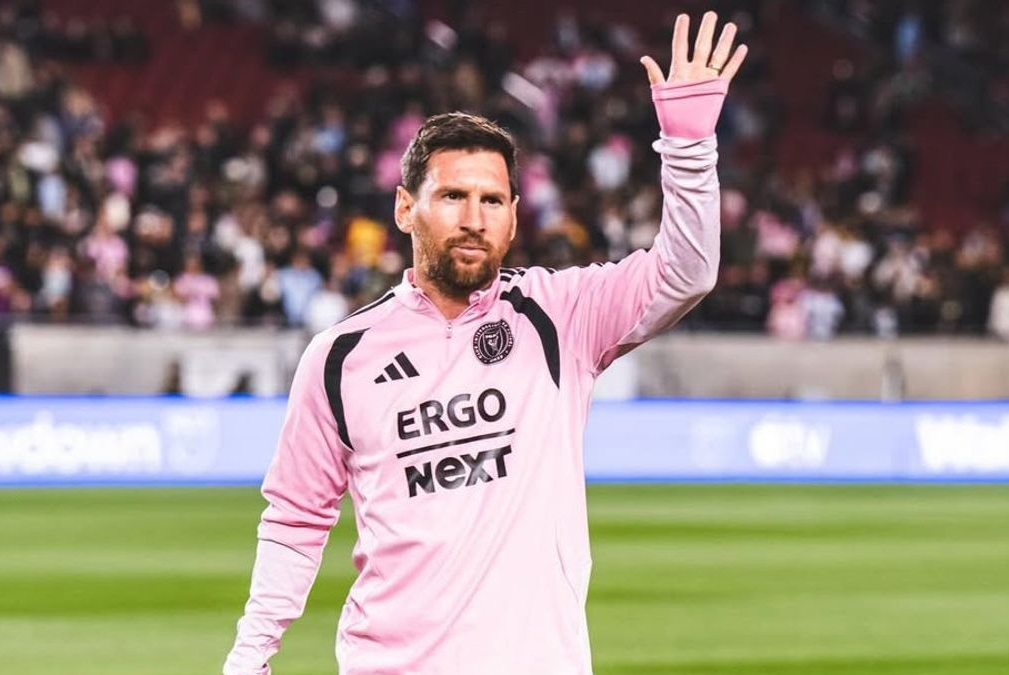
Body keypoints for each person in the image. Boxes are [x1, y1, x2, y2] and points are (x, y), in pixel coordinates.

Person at [223, 11, 746, 674]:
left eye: (492, 201)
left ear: (514, 217)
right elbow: (296, 518)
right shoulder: (340, 357)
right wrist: (250, 654)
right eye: (452, 196)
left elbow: (686, 273)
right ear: (405, 207)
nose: (474, 219)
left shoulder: (560, 314)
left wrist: (689, 147)